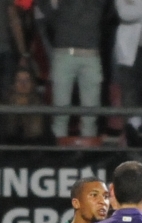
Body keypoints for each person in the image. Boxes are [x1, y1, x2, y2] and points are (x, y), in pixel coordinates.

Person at [47, 0, 109, 139]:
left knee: (91, 113)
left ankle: (88, 153)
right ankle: (58, 153)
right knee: (60, 111)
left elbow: (103, 9)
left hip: (90, 54)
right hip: (63, 52)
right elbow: (47, 13)